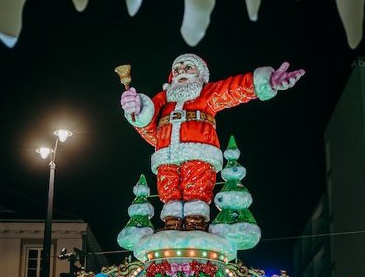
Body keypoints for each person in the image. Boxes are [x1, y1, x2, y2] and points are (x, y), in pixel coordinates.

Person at [120, 53, 304, 230]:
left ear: (200, 74)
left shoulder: (206, 94)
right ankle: (172, 220)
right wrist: (136, 109)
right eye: (177, 69)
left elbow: (233, 89)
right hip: (165, 155)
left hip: (200, 151)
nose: (181, 72)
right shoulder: (162, 99)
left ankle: (195, 221)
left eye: (188, 67)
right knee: (168, 188)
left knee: (197, 186)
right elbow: (151, 130)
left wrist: (266, 81)